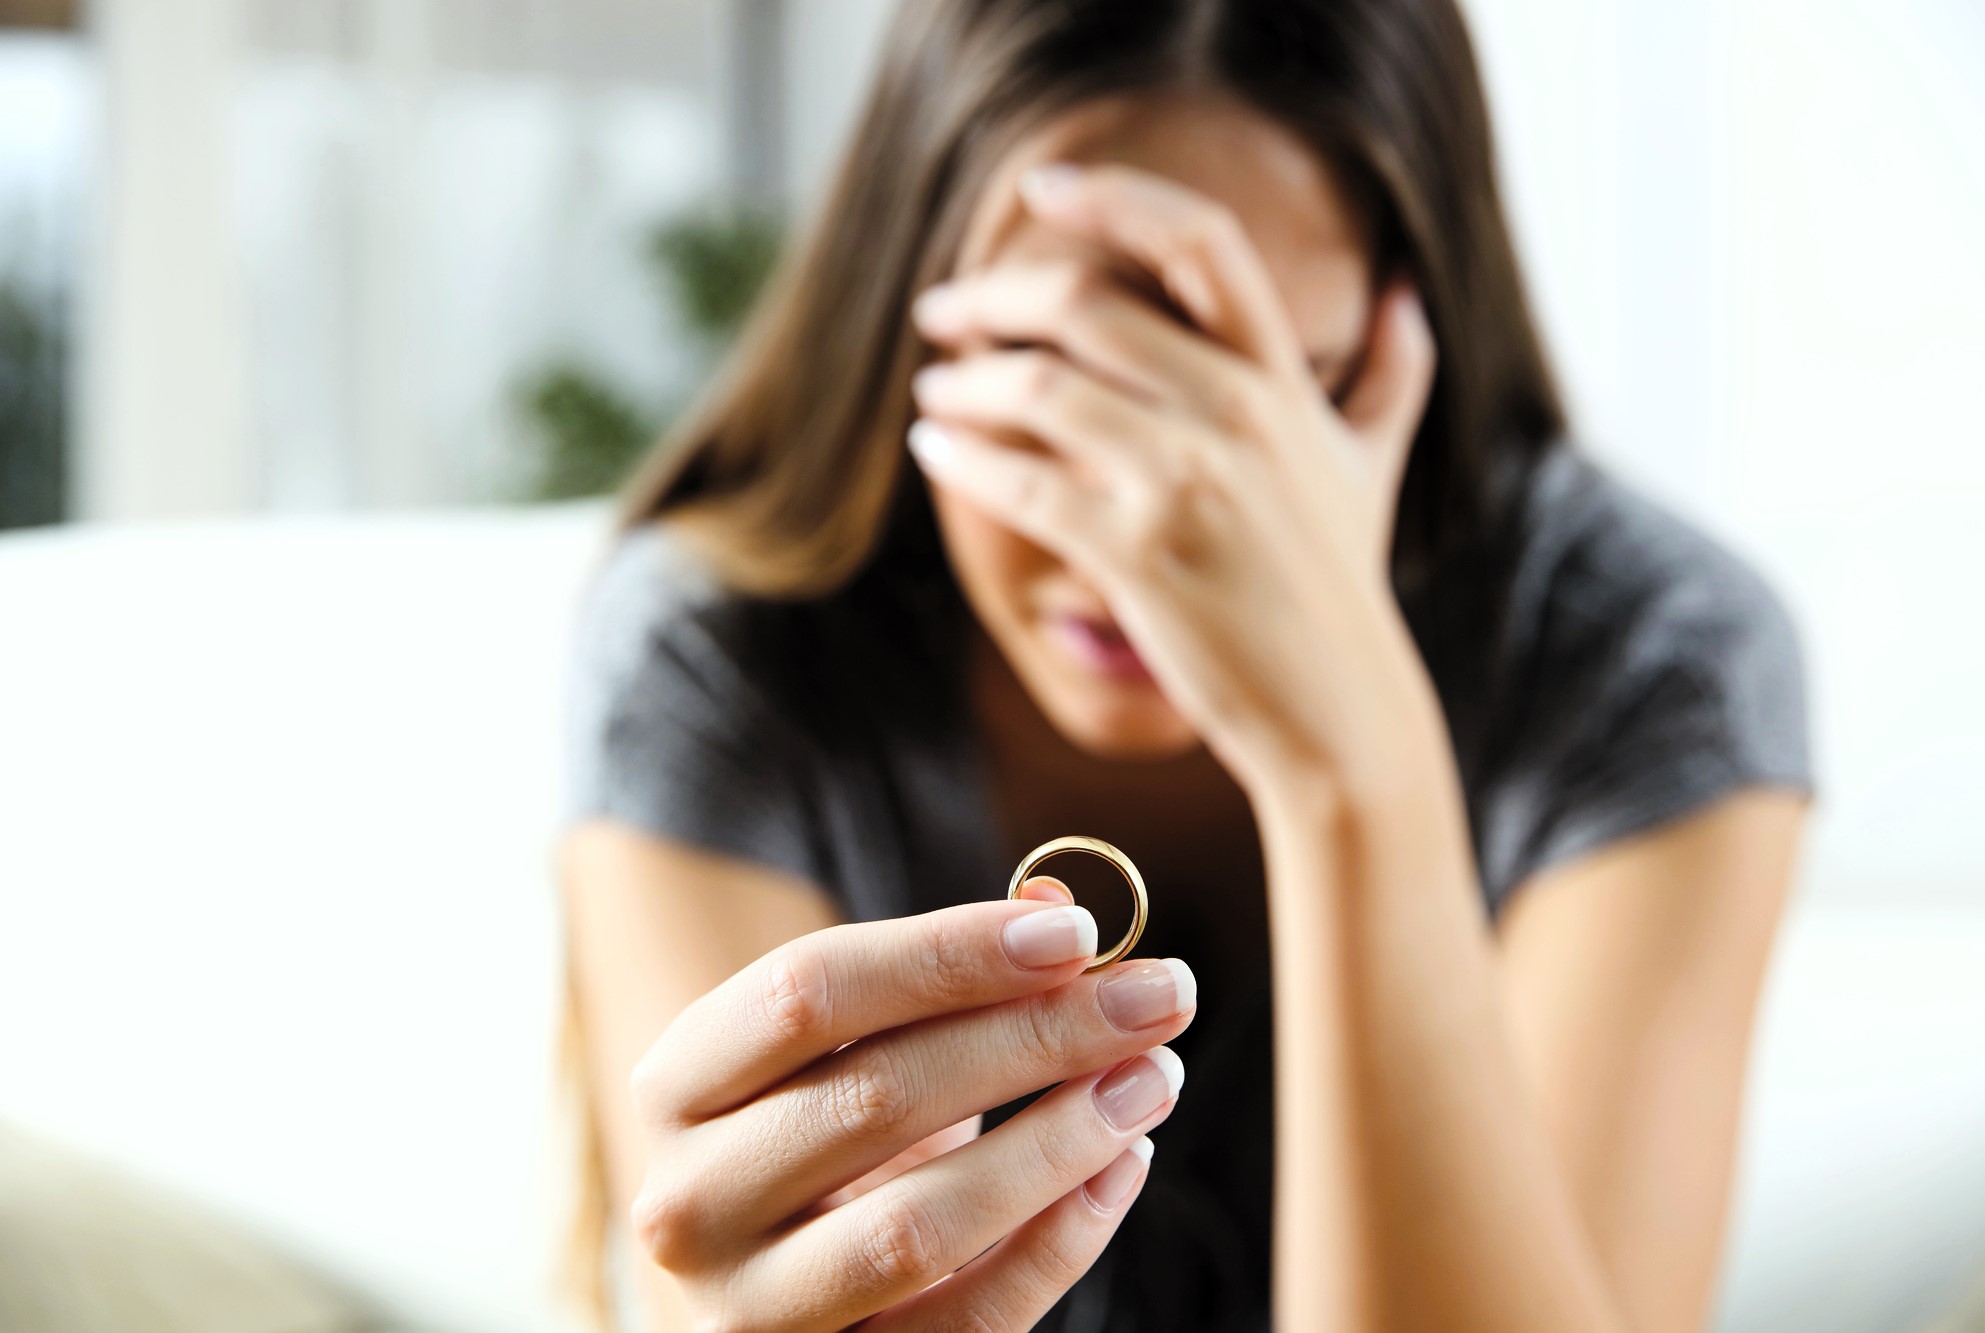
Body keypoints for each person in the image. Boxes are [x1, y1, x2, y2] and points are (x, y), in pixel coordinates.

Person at [553, 1, 1815, 1329]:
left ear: (1407, 358)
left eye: (1269, 400)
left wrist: (1353, 762)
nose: (1147, 524)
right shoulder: (725, 651)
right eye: (1056, 375)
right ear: (906, 321)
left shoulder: (1645, 651)